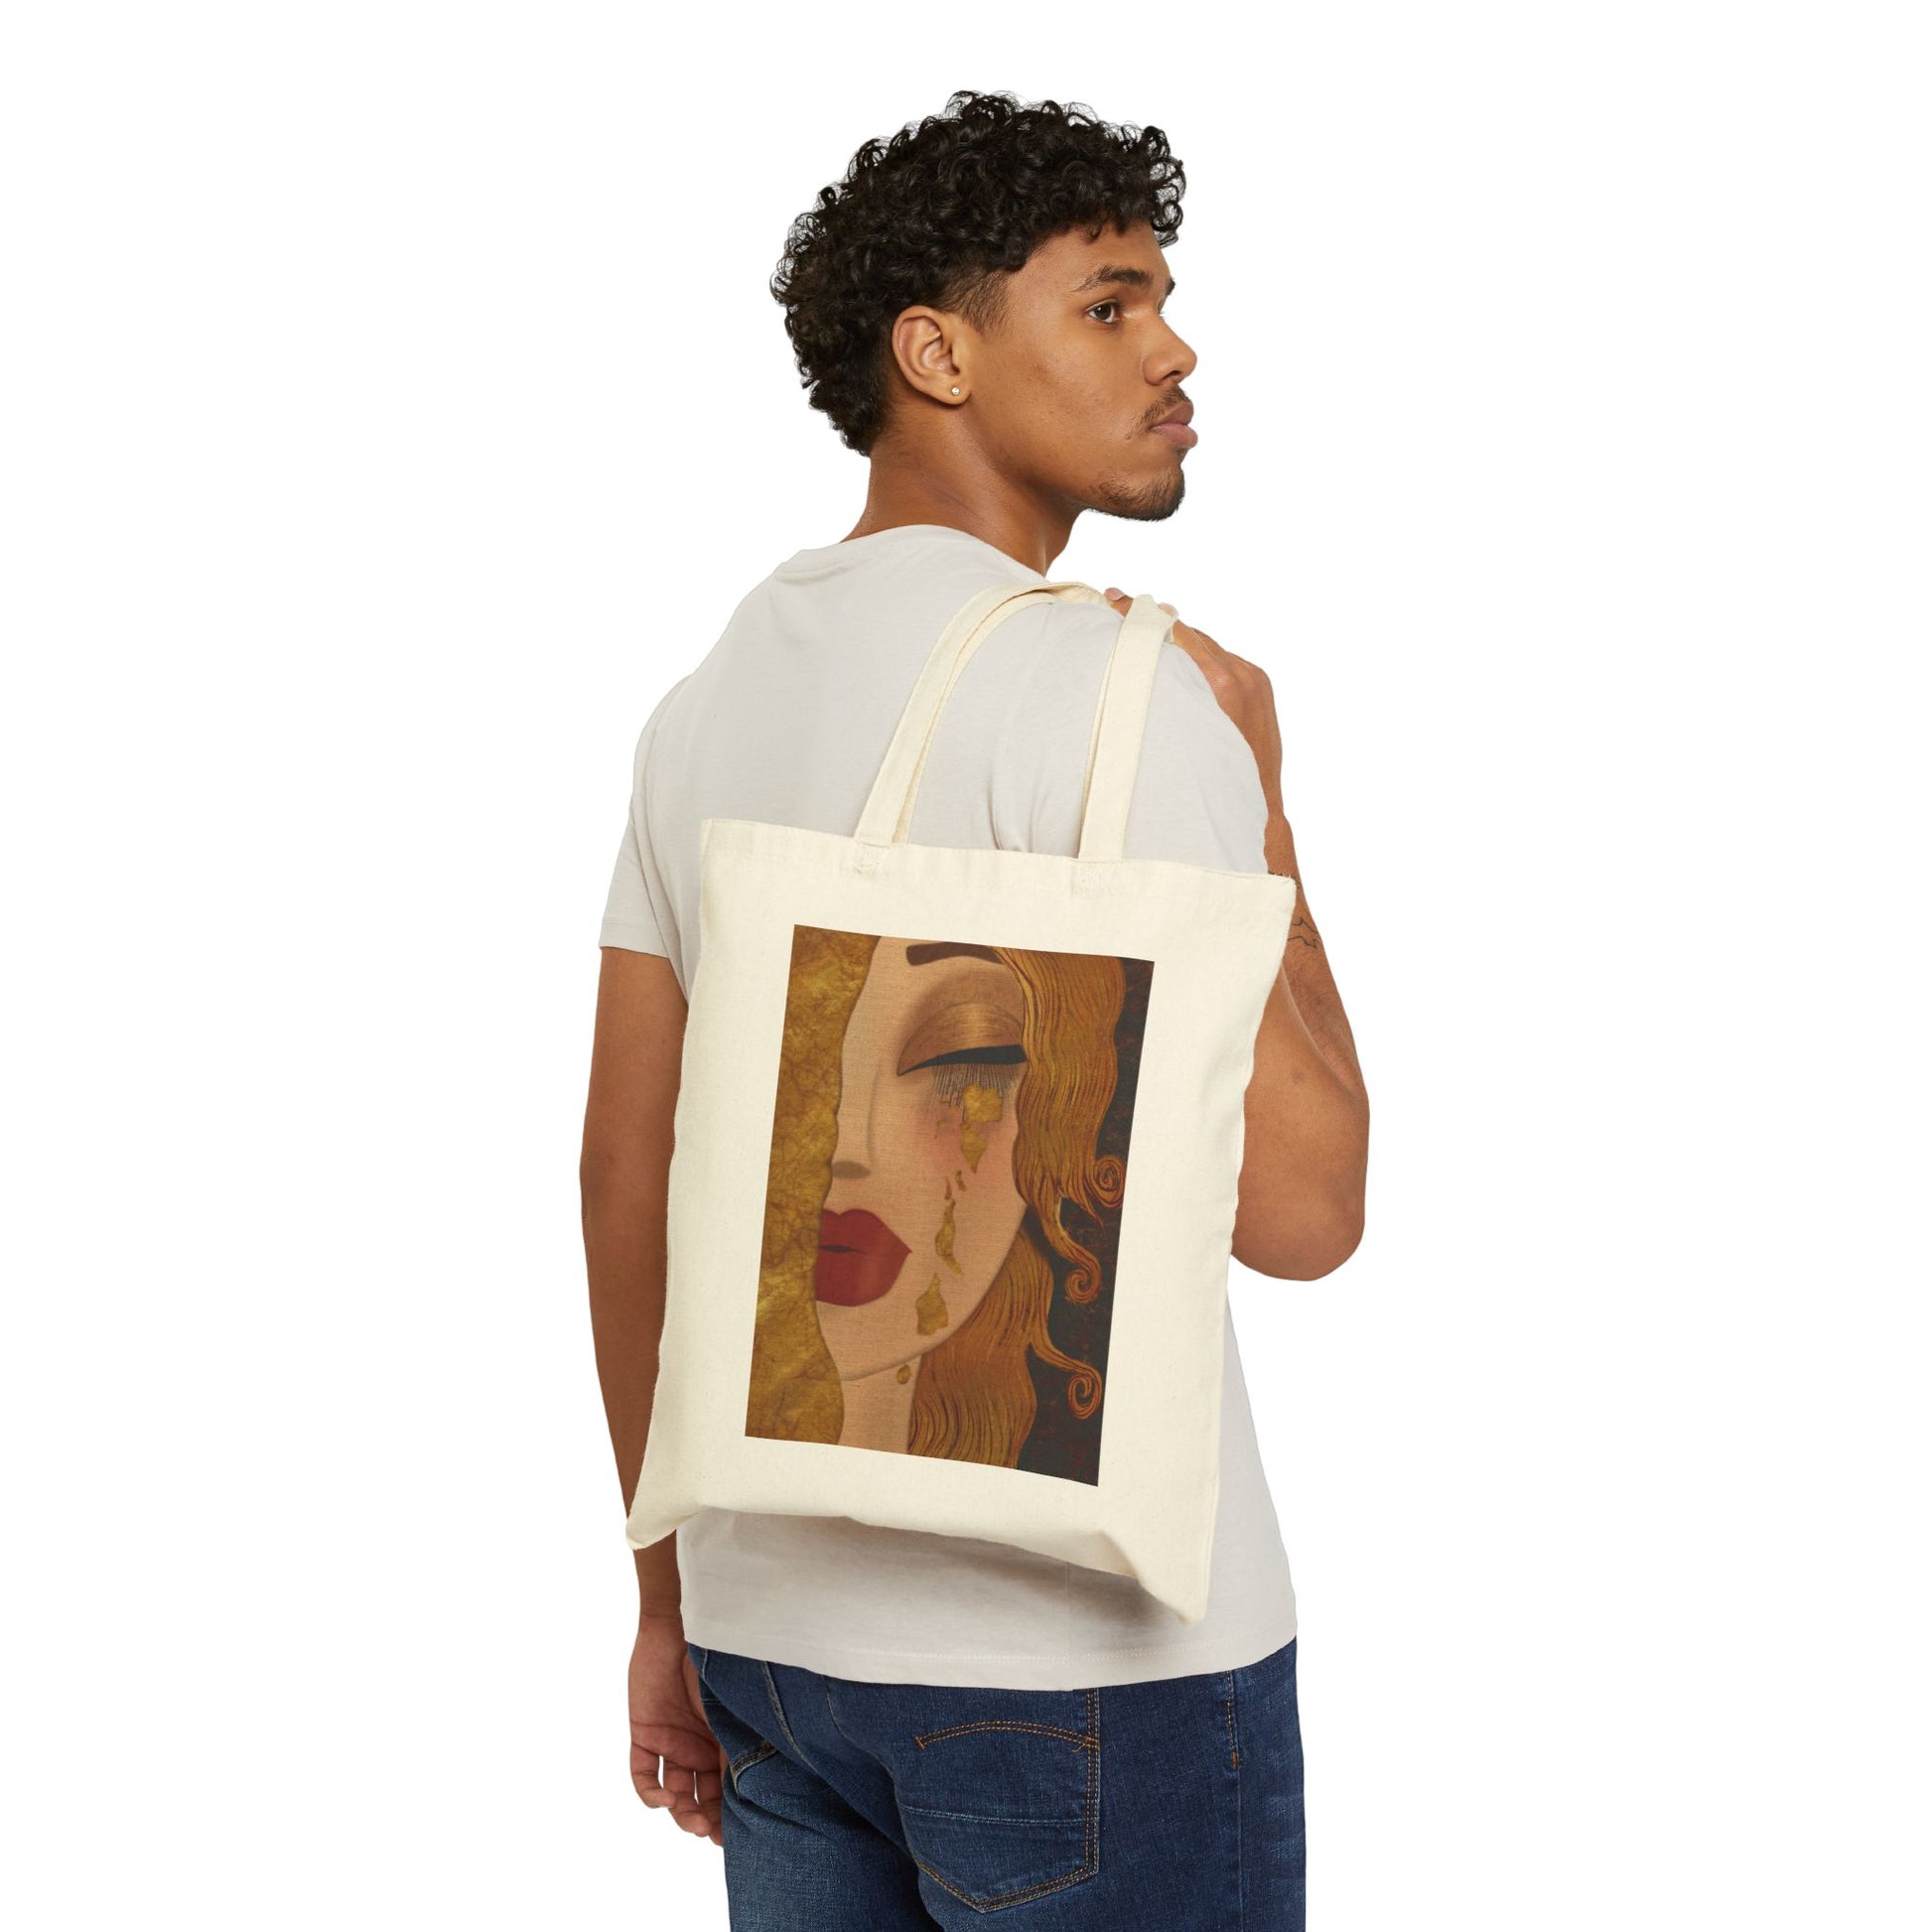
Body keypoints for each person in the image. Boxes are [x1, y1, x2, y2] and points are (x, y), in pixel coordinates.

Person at [580, 88, 1370, 1929]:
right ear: (934, 353)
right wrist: (1260, 800)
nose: (1173, 350)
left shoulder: (700, 705)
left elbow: (627, 1172)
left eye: (1160, 297)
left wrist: (665, 1598)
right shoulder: (1118, 692)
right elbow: (1306, 1212)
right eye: (1107, 303)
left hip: (769, 1645)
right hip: (1089, 1666)